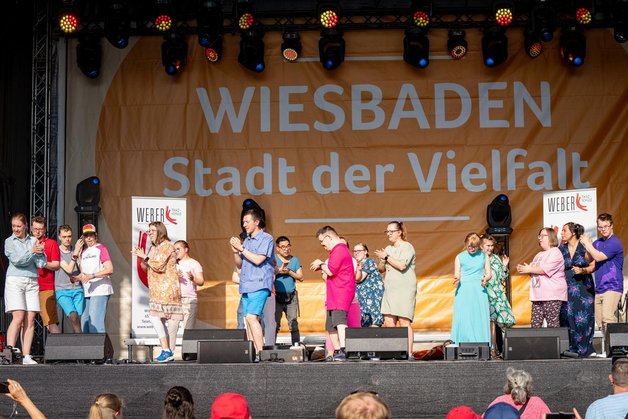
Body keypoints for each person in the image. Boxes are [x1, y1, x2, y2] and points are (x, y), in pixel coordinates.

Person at [133, 221, 182, 363]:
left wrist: (144, 257)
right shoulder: (154, 248)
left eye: (152, 231)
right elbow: (146, 267)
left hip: (167, 290)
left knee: (156, 318)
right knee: (158, 319)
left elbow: (159, 265)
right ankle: (167, 351)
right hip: (156, 290)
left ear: (160, 231)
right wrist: (141, 257)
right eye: (148, 231)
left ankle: (167, 350)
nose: (149, 234)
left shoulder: (167, 246)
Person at [229, 209, 274, 356]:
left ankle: (261, 352)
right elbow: (240, 264)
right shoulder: (247, 240)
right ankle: (252, 352)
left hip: (259, 283)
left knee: (251, 317)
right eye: (243, 222)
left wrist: (241, 248)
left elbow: (258, 259)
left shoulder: (266, 238)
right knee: (248, 320)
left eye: (247, 221)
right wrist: (235, 251)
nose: (244, 224)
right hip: (246, 285)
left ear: (257, 222)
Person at [4, 212, 46, 365]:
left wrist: (40, 254)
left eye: (18, 226)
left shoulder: (33, 240)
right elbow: (17, 260)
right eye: (13, 226)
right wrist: (31, 251)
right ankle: (8, 353)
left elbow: (41, 264)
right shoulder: (9, 241)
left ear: (26, 226)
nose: (16, 229)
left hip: (32, 280)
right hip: (15, 280)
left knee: (30, 318)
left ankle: (26, 355)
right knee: (19, 316)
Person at [310, 226, 355, 361]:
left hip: (341, 291)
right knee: (330, 324)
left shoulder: (340, 249)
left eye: (322, 241)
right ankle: (337, 350)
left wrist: (320, 263)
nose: (322, 244)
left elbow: (330, 271)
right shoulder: (336, 251)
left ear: (329, 237)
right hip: (334, 292)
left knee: (340, 321)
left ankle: (344, 349)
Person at [374, 221, 417, 355]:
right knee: (388, 320)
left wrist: (387, 257)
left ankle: (408, 353)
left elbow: (402, 266)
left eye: (391, 231)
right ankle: (393, 351)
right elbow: (381, 269)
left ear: (399, 232)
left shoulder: (407, 247)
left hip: (404, 289)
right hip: (390, 289)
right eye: (387, 231)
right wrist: (382, 260)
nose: (388, 234)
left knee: (404, 321)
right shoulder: (388, 248)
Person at [579, 213, 624, 339]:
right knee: (600, 323)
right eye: (600, 227)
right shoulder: (598, 242)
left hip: (613, 286)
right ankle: (609, 346)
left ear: (611, 225)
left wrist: (588, 244)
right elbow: (588, 259)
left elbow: (598, 257)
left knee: (608, 318)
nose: (603, 229)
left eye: (605, 226)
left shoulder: (614, 243)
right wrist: (587, 245)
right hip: (599, 287)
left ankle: (617, 346)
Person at [516, 228, 567, 328]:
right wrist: (525, 269)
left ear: (551, 237)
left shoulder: (555, 252)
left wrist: (529, 269)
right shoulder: (539, 254)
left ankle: (553, 339)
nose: (540, 238)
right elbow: (533, 270)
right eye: (539, 236)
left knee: (552, 324)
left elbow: (544, 269)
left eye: (543, 236)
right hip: (537, 295)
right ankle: (536, 339)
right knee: (535, 324)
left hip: (551, 295)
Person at [558, 222, 596, 357]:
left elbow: (593, 265)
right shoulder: (561, 248)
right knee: (567, 317)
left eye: (564, 230)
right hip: (566, 287)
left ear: (573, 232)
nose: (562, 233)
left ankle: (586, 349)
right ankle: (570, 349)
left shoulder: (584, 245)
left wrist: (583, 270)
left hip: (584, 286)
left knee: (584, 316)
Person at [450, 233, 491, 346]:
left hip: (479, 290)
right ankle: (462, 343)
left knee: (478, 317)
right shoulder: (459, 257)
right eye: (469, 247)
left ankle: (481, 344)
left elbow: (488, 273)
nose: (472, 249)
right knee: (464, 317)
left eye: (475, 247)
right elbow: (457, 273)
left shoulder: (484, 256)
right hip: (464, 290)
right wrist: (456, 279)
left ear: (479, 246)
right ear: (465, 244)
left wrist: (485, 278)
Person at [73, 224, 114, 335]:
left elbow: (110, 269)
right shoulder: (84, 252)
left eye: (91, 235)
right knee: (85, 325)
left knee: (95, 325)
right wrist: (78, 277)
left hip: (100, 289)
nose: (89, 238)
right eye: (86, 235)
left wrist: (92, 276)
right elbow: (84, 273)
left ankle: (100, 347)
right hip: (87, 291)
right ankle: (88, 347)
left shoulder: (101, 248)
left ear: (96, 235)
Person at [480, 235, 516, 358]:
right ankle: (491, 349)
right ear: (481, 246)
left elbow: (502, 277)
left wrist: (504, 266)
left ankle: (500, 349)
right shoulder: (478, 258)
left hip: (497, 293)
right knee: (489, 322)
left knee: (501, 320)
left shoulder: (496, 258)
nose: (490, 248)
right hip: (484, 292)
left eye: (492, 246)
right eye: (487, 246)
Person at [31, 216, 61, 334]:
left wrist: (42, 263)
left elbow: (56, 265)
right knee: (26, 321)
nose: (37, 232)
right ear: (31, 229)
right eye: (35, 229)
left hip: (45, 288)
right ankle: (24, 347)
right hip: (28, 286)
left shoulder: (51, 243)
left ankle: (60, 346)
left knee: (50, 322)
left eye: (40, 229)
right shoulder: (26, 243)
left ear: (45, 230)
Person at [274, 236, 304, 346]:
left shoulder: (294, 260)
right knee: (274, 324)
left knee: (293, 323)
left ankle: (296, 346)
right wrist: (278, 271)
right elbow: (267, 274)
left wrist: (289, 272)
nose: (286, 249)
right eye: (283, 247)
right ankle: (271, 346)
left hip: (291, 296)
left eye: (288, 246)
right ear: (277, 248)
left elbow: (301, 277)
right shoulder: (273, 259)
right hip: (276, 297)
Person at [56, 224, 84, 333]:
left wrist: (79, 254)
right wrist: (76, 253)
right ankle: (80, 340)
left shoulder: (76, 250)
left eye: (69, 236)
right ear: (59, 237)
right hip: (62, 290)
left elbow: (82, 269)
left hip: (77, 288)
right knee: (73, 316)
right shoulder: (57, 251)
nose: (67, 239)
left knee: (79, 319)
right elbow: (69, 269)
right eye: (64, 237)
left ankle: (78, 340)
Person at [174, 240, 205, 330]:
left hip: (189, 300)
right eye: (174, 250)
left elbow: (201, 281)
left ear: (186, 249)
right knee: (172, 330)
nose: (176, 251)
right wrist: (175, 277)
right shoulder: (173, 264)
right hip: (175, 300)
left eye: (178, 249)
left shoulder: (194, 263)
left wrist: (193, 278)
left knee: (188, 330)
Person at [353, 243, 384, 328]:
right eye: (354, 251)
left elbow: (359, 278)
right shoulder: (358, 264)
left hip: (372, 298)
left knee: (373, 322)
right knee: (366, 323)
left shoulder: (367, 261)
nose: (356, 253)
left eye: (359, 251)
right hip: (364, 298)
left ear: (365, 252)